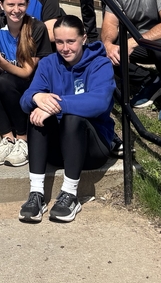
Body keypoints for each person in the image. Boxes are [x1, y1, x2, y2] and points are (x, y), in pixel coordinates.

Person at [18, 15, 116, 223]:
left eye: (70, 41)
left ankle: (70, 194)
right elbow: (25, 100)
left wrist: (56, 105)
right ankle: (36, 194)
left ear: (84, 39)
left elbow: (99, 102)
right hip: (57, 150)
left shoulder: (100, 64)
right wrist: (37, 97)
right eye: (59, 42)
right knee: (37, 113)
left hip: (92, 148)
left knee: (72, 118)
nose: (64, 48)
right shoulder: (48, 63)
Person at [0, 0, 52, 168]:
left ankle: (23, 138)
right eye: (10, 5)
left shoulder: (37, 28)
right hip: (9, 78)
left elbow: (27, 72)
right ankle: (8, 138)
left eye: (21, 4)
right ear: (1, 5)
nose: (16, 10)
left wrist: (0, 62)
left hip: (33, 85)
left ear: (27, 5)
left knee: (5, 81)